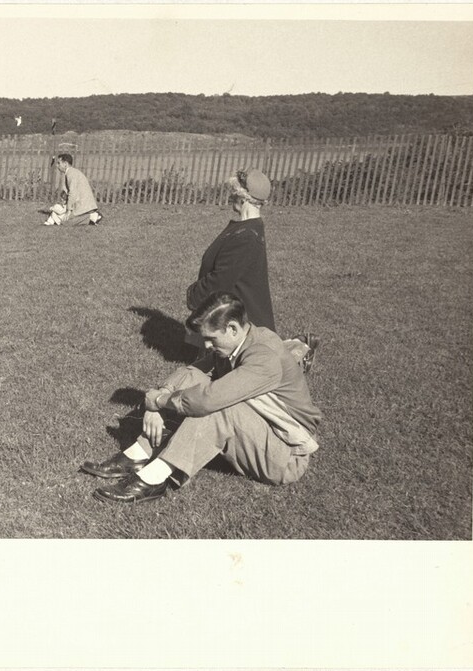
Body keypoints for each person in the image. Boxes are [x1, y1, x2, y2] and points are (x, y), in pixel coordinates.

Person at [81, 292, 322, 503]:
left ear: (232, 328)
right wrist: (161, 395)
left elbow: (208, 401)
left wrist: (157, 402)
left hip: (286, 455)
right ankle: (139, 454)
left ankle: (156, 477)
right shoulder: (239, 341)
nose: (206, 345)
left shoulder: (263, 356)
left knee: (219, 408)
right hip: (262, 429)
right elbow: (194, 371)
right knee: (192, 378)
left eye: (211, 339)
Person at [186, 168, 276, 331]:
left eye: (234, 192)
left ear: (243, 198)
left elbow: (221, 280)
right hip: (235, 318)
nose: (230, 196)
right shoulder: (248, 228)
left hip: (243, 329)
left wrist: (194, 295)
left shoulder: (246, 236)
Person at [42, 153, 103, 226]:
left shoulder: (71, 173)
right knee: (62, 218)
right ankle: (91, 216)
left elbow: (72, 193)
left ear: (65, 164)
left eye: (59, 163)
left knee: (65, 222)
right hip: (83, 205)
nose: (57, 165)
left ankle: (92, 216)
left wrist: (68, 210)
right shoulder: (72, 172)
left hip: (84, 206)